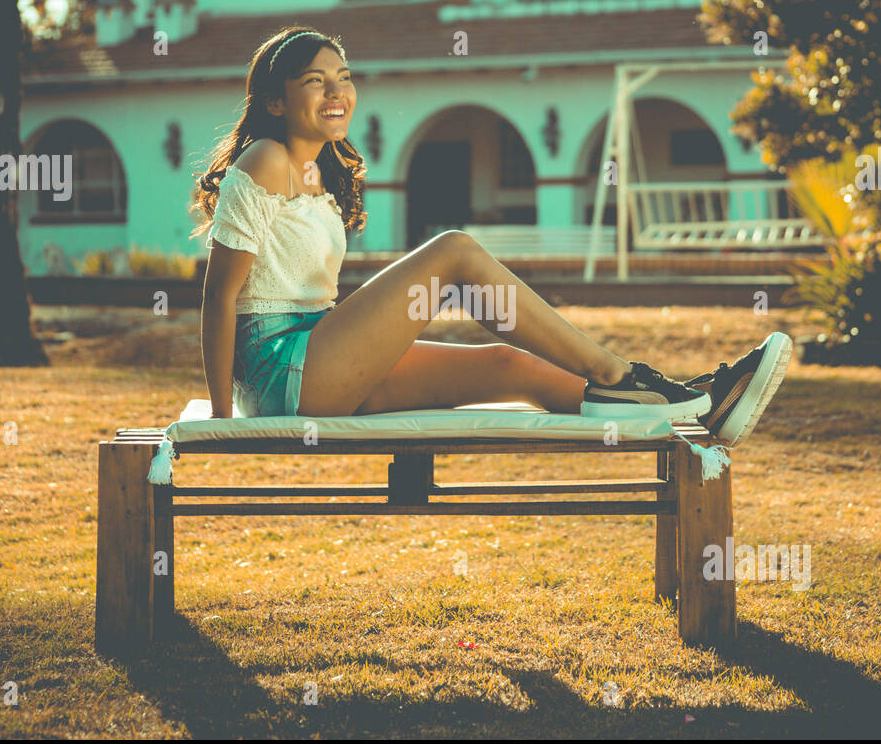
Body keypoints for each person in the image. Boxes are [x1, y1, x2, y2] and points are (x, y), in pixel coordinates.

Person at [193, 26, 791, 446]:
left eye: (343, 78)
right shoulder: (266, 159)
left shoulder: (320, 172)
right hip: (283, 372)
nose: (336, 92)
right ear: (275, 100)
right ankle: (619, 374)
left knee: (512, 365)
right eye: (315, 81)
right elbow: (220, 295)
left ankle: (687, 410)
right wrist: (223, 417)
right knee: (455, 252)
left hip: (319, 357)